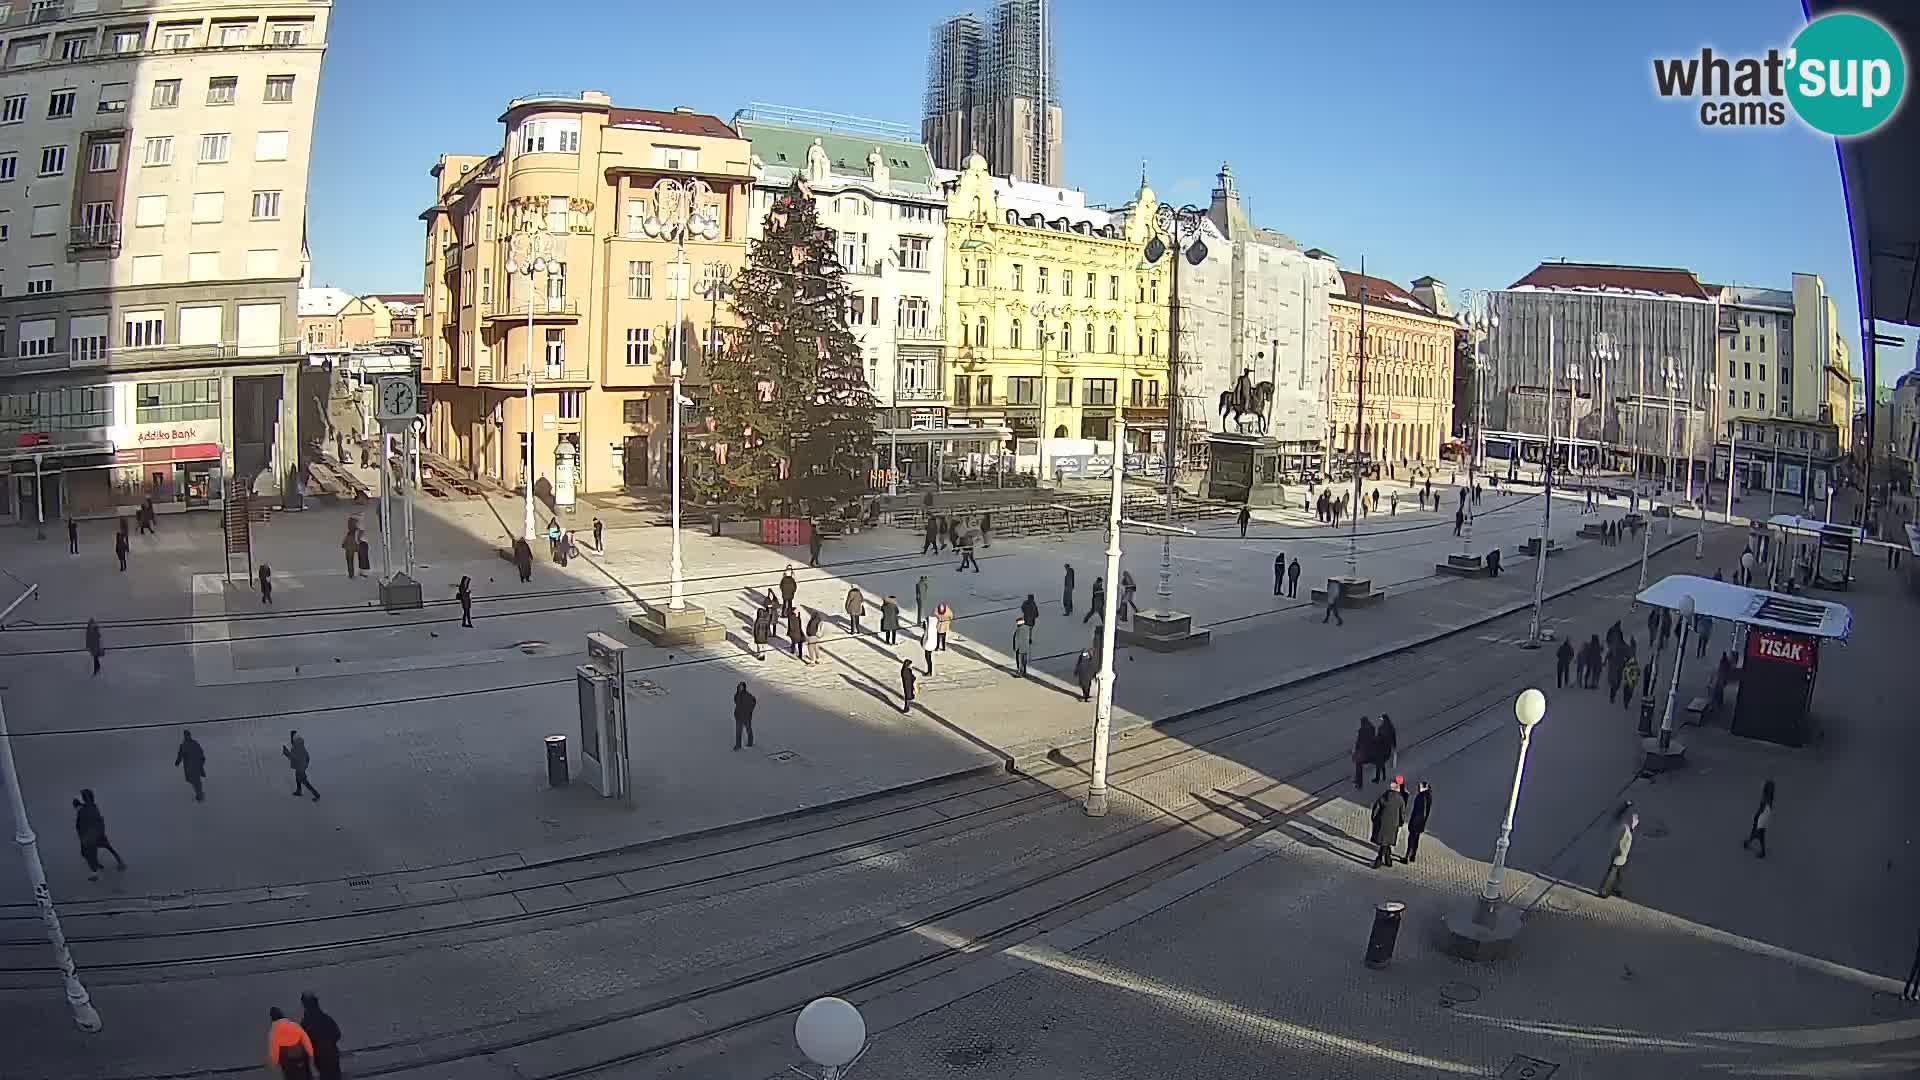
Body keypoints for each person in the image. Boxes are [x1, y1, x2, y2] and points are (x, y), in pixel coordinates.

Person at [73, 789, 124, 879]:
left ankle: (95, 872)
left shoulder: (83, 811)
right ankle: (119, 861)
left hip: (89, 837)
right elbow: (99, 821)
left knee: (89, 854)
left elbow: (80, 826)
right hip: (98, 833)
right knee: (108, 847)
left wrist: (84, 839)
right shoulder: (93, 807)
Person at [299, 993, 343, 1080]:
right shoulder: (325, 1018)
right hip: (332, 1054)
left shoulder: (306, 1022)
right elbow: (337, 1034)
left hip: (320, 1057)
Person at [267, 1007, 315, 1080]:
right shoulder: (294, 1025)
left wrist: (275, 1062)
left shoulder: (273, 1031)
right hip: (301, 1056)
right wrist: (310, 1053)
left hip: (288, 1061)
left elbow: (274, 1048)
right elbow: (305, 1039)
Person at [1369, 777, 1407, 869]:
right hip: (1393, 825)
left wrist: (1374, 819)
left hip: (1382, 824)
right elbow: (1402, 813)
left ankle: (1378, 861)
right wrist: (1400, 823)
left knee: (1384, 843)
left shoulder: (1383, 797)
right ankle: (1388, 860)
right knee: (1387, 842)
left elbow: (1376, 808)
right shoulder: (1400, 800)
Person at [1599, 811, 1637, 898]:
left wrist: (1632, 827)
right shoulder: (1624, 829)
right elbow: (1617, 841)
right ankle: (1604, 892)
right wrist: (1617, 853)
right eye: (1634, 820)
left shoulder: (1627, 829)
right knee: (1611, 876)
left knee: (1619, 875)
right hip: (1618, 857)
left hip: (1623, 857)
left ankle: (1614, 888)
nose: (1635, 821)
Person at [283, 730, 320, 801]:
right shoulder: (300, 746)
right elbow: (307, 757)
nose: (291, 741)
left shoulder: (297, 748)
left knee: (305, 782)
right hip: (302, 766)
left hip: (300, 767)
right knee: (297, 777)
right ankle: (299, 790)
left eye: (292, 739)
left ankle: (316, 794)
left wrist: (286, 752)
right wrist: (305, 764)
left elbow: (292, 757)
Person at [1743, 779, 1774, 858]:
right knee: (1757, 831)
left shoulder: (1767, 797)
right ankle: (1749, 842)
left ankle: (1760, 850)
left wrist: (1758, 815)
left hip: (1763, 816)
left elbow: (1763, 808)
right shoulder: (1768, 796)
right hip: (1764, 815)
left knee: (1759, 833)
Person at [175, 729, 207, 802]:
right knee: (194, 781)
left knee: (196, 781)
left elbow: (200, 752)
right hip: (189, 767)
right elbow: (180, 754)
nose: (186, 736)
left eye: (187, 735)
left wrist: (201, 761)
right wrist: (177, 762)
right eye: (185, 735)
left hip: (195, 766)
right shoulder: (183, 745)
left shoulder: (194, 743)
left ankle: (200, 794)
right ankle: (199, 794)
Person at [1405, 781, 1433, 863]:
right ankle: (1413, 856)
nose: (1418, 788)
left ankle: (1407, 856)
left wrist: (1413, 822)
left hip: (1416, 822)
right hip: (1421, 823)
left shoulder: (1422, 797)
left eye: (1419, 787)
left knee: (1411, 839)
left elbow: (1420, 811)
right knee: (1416, 839)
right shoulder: (1428, 796)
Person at [1352, 717, 1375, 789]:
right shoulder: (1372, 729)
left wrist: (1355, 751)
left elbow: (1359, 742)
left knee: (1358, 765)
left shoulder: (1362, 731)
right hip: (1371, 752)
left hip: (1364, 752)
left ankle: (1359, 783)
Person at [732, 682, 757, 750]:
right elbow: (736, 702)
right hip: (739, 717)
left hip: (746, 717)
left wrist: (749, 711)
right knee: (738, 732)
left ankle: (750, 743)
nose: (740, 688)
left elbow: (754, 701)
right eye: (739, 687)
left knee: (748, 730)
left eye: (742, 687)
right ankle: (738, 745)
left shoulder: (748, 695)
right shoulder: (736, 695)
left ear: (744, 688)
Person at [1374, 714, 1398, 781]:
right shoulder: (1391, 727)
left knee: (1379, 762)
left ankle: (1380, 777)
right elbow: (1394, 737)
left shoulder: (1380, 728)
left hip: (1382, 747)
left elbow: (1378, 738)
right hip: (1388, 747)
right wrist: (1394, 746)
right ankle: (1382, 776)